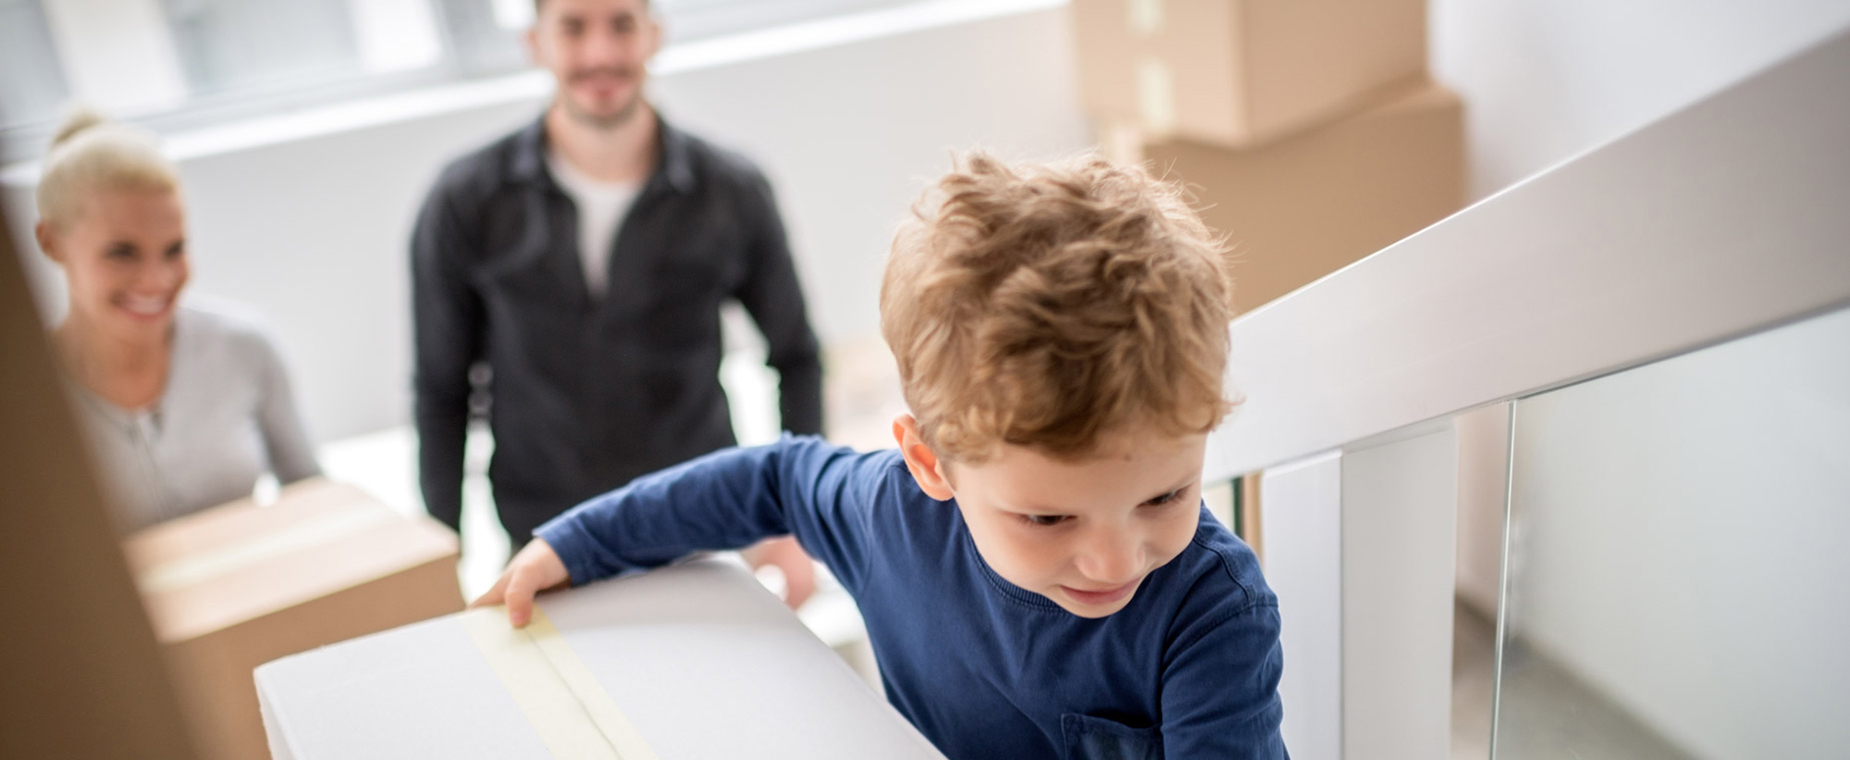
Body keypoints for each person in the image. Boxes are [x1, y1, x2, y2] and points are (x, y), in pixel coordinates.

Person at [476, 153, 1288, 758]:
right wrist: (577, 542)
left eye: (1166, 496)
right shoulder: (888, 513)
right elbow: (770, 478)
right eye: (1047, 515)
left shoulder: (1210, 613)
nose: (1117, 555)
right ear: (931, 464)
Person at [411, 0, 822, 604]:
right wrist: (439, 560)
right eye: (574, 28)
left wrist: (797, 521)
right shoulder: (466, 200)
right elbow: (441, 389)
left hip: (701, 529)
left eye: (622, 25)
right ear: (535, 43)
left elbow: (797, 357)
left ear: (654, 35)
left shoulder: (732, 191)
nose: (600, 53)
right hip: (540, 540)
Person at [34, 111, 320, 532]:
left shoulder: (244, 346)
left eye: (174, 250)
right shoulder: (21, 398)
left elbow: (314, 497)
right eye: (122, 252)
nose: (157, 281)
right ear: (51, 242)